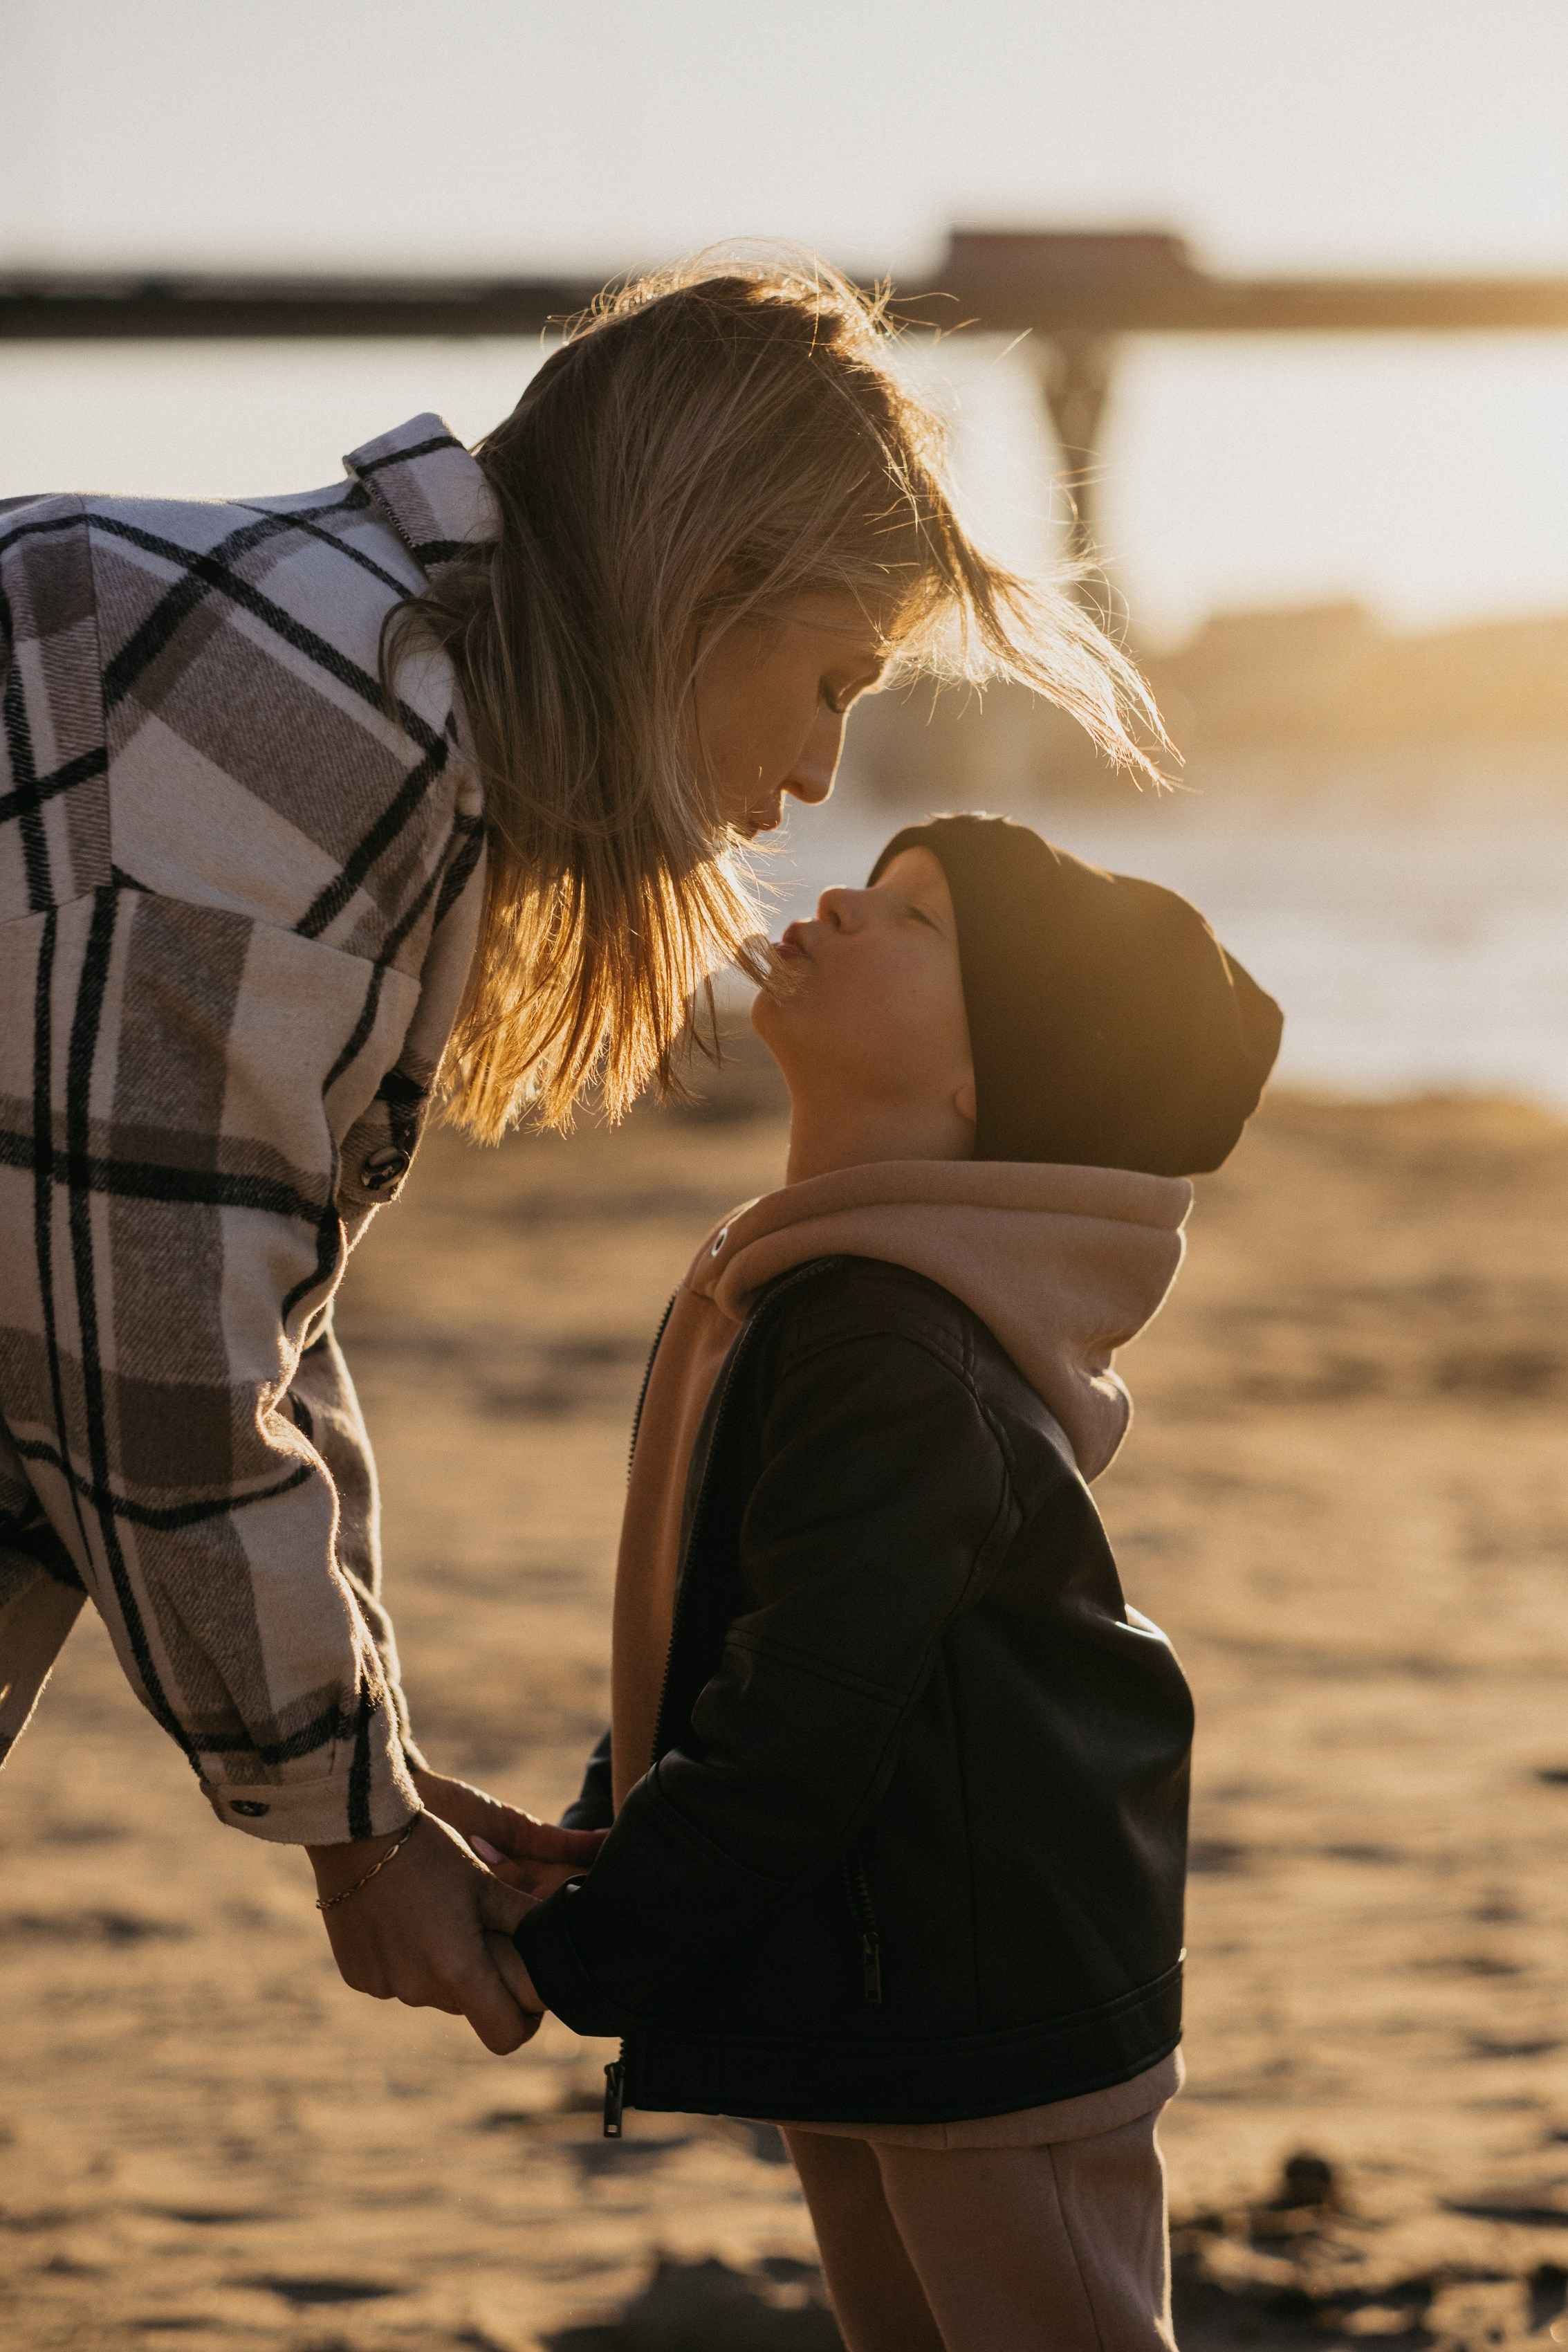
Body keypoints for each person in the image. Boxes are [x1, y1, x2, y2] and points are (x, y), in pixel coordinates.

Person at [0, 260, 1161, 2056]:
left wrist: (361, 1759)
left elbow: (245, 1301)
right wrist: (354, 1837)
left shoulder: (355, 674)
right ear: (707, 581)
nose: (812, 774)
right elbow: (158, 1367)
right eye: (832, 675)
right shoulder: (321, 736)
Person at [504, 815, 1283, 2349]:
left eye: (921, 923)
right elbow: (733, 1631)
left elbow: (801, 1724)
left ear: (986, 1083)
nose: (848, 898)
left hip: (991, 2013)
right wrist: (610, 1826)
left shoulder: (892, 1340)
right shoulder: (824, 1288)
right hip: (879, 1980)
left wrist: (577, 1949)